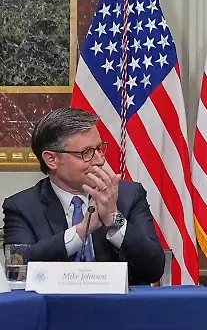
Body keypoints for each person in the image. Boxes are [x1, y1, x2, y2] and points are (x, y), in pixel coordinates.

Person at [1, 107, 165, 285]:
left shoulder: (128, 195)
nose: (99, 160)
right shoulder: (22, 207)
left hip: (119, 309)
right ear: (52, 160)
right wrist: (80, 231)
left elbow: (154, 269)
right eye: (85, 153)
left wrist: (113, 219)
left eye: (99, 149)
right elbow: (19, 269)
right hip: (55, 310)